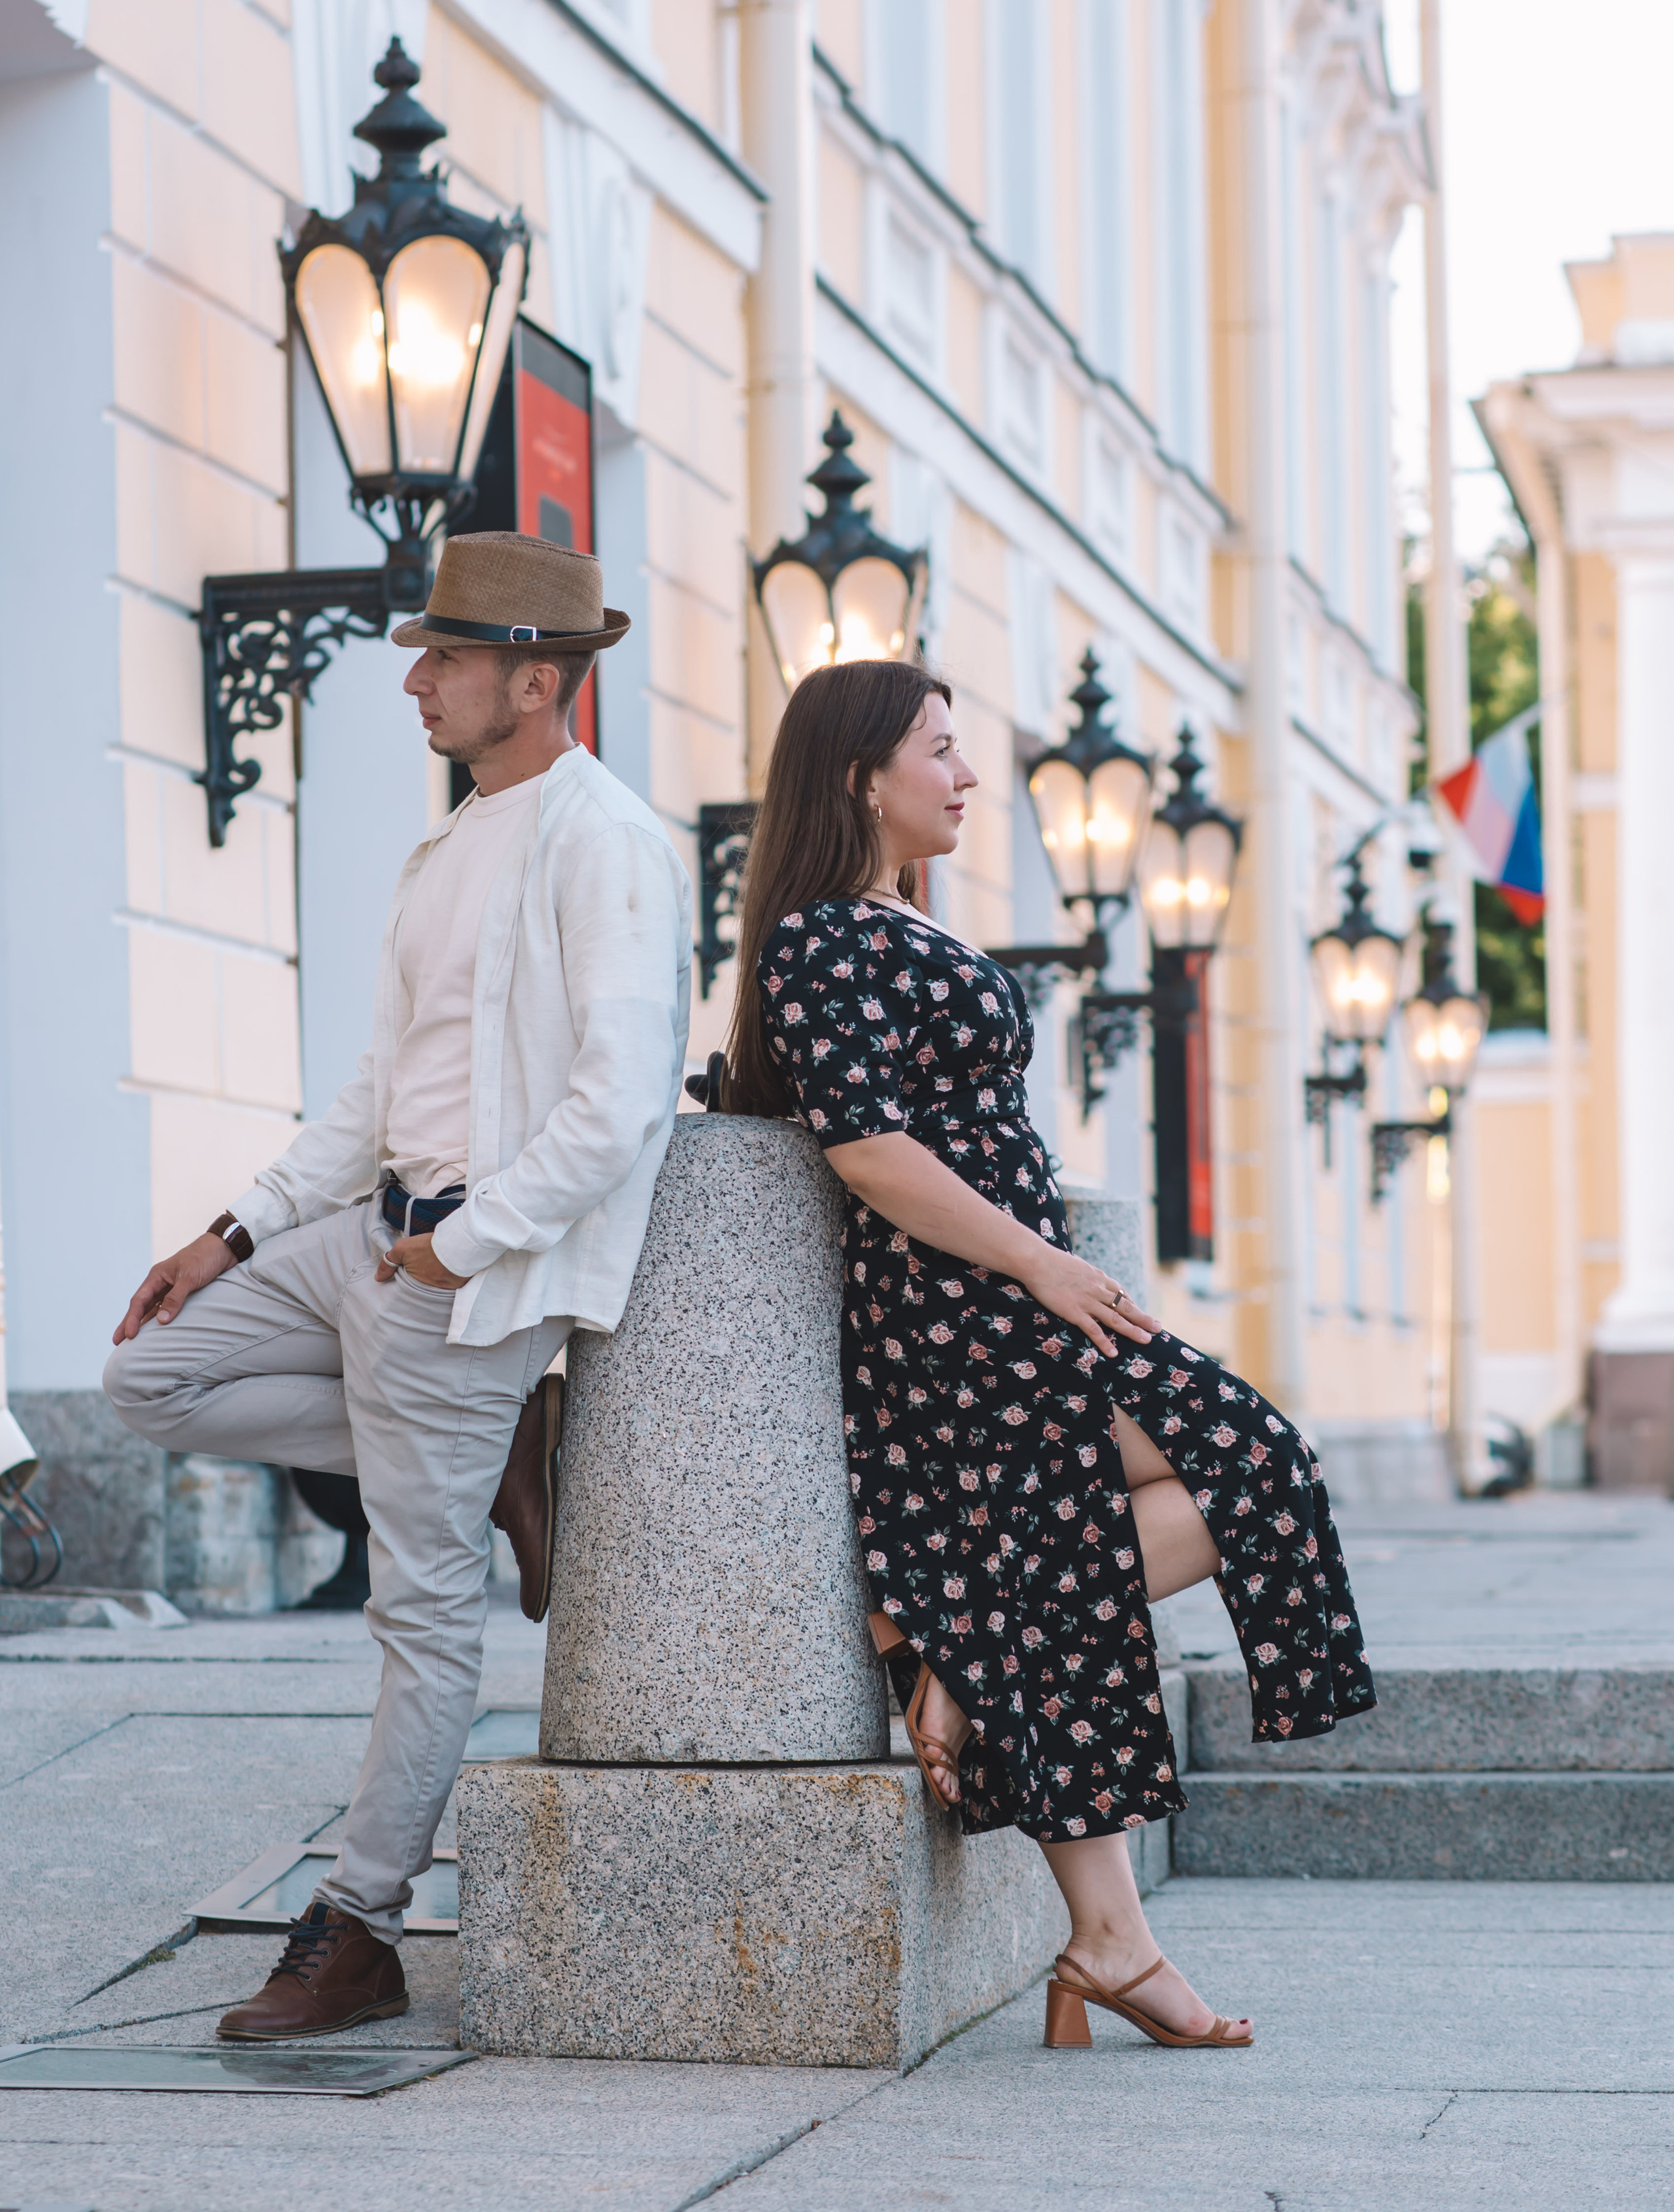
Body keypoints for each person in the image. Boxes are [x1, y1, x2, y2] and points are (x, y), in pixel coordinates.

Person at [723, 658, 1375, 2052]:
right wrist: (1036, 1258)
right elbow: (866, 1146)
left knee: (1150, 1518)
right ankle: (994, 1704)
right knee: (1247, 1460)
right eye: (941, 752)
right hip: (962, 1317)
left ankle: (1092, 1910)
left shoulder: (900, 923)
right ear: (858, 775)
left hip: (1014, 1304)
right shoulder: (819, 939)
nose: (964, 778)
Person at [103, 532, 691, 2041]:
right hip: (369, 1232)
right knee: (150, 1375)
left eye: (446, 658)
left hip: (460, 1273)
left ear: (536, 679)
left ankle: (358, 1929)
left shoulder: (601, 839)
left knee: (419, 1615)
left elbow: (619, 1102)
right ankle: (495, 1452)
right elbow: (377, 1085)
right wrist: (232, 1233)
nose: (416, 681)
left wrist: (470, 1241)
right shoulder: (450, 843)